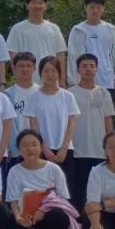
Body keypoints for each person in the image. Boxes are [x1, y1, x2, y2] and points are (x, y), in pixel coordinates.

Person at [6, 129, 76, 229]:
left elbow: (63, 199)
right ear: (19, 149)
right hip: (25, 217)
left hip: (48, 216)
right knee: (17, 226)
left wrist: (43, 211)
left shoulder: (53, 169)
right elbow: (13, 201)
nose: (30, 149)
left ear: (41, 147)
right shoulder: (15, 171)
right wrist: (19, 219)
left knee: (60, 216)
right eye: (25, 145)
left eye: (34, 144)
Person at [69, 53, 115, 211]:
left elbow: (108, 120)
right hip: (77, 150)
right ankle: (77, 219)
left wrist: (110, 145)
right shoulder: (70, 93)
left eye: (92, 66)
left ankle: (97, 218)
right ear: (78, 70)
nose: (88, 69)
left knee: (98, 190)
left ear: (97, 69)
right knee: (78, 188)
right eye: (84, 66)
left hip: (99, 150)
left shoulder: (104, 92)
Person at [24, 55, 80, 186]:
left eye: (53, 71)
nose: (50, 74)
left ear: (59, 73)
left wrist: (64, 147)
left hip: (65, 149)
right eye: (46, 71)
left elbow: (71, 122)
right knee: (43, 187)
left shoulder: (67, 96)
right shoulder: (33, 97)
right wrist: (44, 148)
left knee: (66, 187)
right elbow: (33, 125)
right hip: (41, 150)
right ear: (40, 73)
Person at [66, 0, 115, 106]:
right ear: (85, 8)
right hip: (83, 81)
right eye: (91, 7)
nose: (95, 10)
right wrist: (73, 81)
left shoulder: (111, 29)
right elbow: (73, 57)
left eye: (98, 7)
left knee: (106, 113)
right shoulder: (78, 29)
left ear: (103, 9)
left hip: (107, 80)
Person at [6, 0, 66, 85]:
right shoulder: (17, 29)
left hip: (51, 79)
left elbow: (60, 55)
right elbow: (13, 54)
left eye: (40, 3)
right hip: (27, 80)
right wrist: (17, 76)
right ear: (27, 6)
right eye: (33, 3)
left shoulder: (53, 28)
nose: (37, 6)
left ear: (45, 6)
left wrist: (62, 79)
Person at [4, 52, 39, 169]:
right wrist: (10, 148)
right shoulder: (7, 95)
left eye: (28, 66)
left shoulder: (41, 92)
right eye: (21, 66)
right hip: (16, 151)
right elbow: (7, 124)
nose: (25, 69)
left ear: (34, 68)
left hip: (39, 149)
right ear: (14, 67)